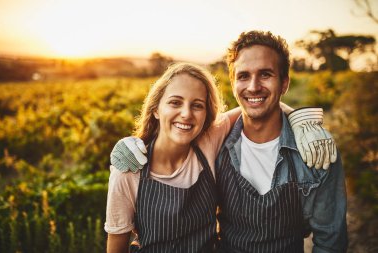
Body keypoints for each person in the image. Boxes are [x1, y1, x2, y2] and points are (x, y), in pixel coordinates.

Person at [105, 60, 339, 252]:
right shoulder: (129, 168)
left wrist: (302, 122)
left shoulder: (207, 143)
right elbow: (116, 246)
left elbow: (256, 107)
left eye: (197, 105)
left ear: (206, 114)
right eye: (175, 102)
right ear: (156, 108)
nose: (186, 114)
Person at [214, 31, 347, 252]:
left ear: (284, 83)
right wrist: (136, 143)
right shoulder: (216, 144)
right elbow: (168, 145)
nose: (253, 86)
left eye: (265, 74)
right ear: (233, 83)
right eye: (243, 76)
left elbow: (330, 241)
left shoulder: (316, 151)